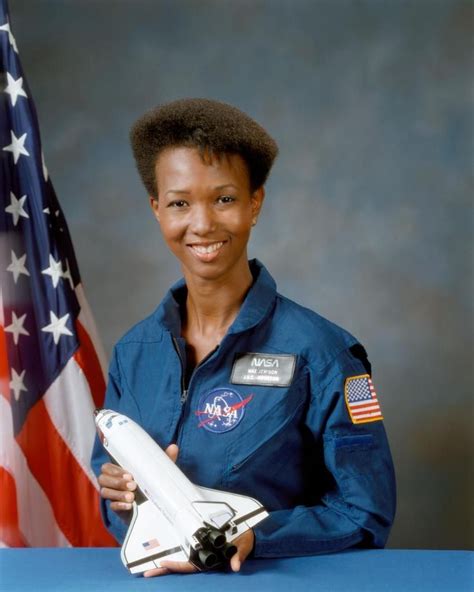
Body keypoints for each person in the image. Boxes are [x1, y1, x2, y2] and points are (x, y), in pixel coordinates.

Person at [91, 98, 396, 577]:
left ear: (255, 202)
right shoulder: (134, 353)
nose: (202, 223)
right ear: (157, 210)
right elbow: (115, 506)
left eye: (224, 198)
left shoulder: (325, 353)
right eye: (179, 203)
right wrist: (124, 498)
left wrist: (256, 536)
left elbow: (366, 513)